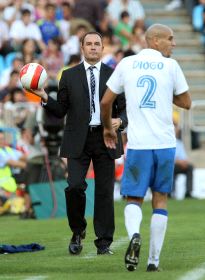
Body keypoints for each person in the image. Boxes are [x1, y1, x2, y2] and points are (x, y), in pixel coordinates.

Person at [24, 31, 127, 255]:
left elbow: (125, 109)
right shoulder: (68, 76)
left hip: (106, 138)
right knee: (74, 187)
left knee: (104, 192)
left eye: (96, 44)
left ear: (102, 48)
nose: (92, 47)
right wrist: (43, 95)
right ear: (81, 47)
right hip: (77, 138)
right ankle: (78, 230)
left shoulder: (115, 75)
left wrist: (121, 121)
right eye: (88, 44)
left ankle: (104, 242)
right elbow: (60, 110)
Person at [100, 23, 191, 271]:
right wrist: (165, 93)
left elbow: (106, 101)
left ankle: (133, 237)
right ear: (155, 41)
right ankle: (153, 262)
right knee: (160, 200)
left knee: (134, 198)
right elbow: (186, 102)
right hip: (164, 144)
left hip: (138, 145)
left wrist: (108, 128)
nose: (174, 43)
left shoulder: (127, 64)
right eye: (170, 38)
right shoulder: (171, 66)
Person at [172, 122, 194, 198]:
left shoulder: (179, 143)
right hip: (171, 165)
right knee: (171, 168)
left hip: (179, 165)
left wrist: (184, 162)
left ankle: (188, 192)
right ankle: (171, 193)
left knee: (190, 167)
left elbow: (184, 157)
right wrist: (179, 161)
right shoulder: (167, 142)